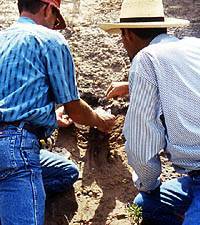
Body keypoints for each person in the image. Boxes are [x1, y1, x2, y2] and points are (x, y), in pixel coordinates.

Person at [0, 0, 116, 224]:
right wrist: (99, 120)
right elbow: (74, 108)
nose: (54, 25)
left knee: (66, 172)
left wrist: (50, 118)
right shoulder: (49, 39)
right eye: (55, 19)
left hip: (11, 144)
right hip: (16, 148)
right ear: (47, 9)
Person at [101, 0, 200, 224]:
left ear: (127, 35)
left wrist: (148, 184)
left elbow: (142, 144)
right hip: (194, 178)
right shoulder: (194, 45)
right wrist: (132, 85)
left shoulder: (145, 59)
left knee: (148, 197)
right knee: (146, 205)